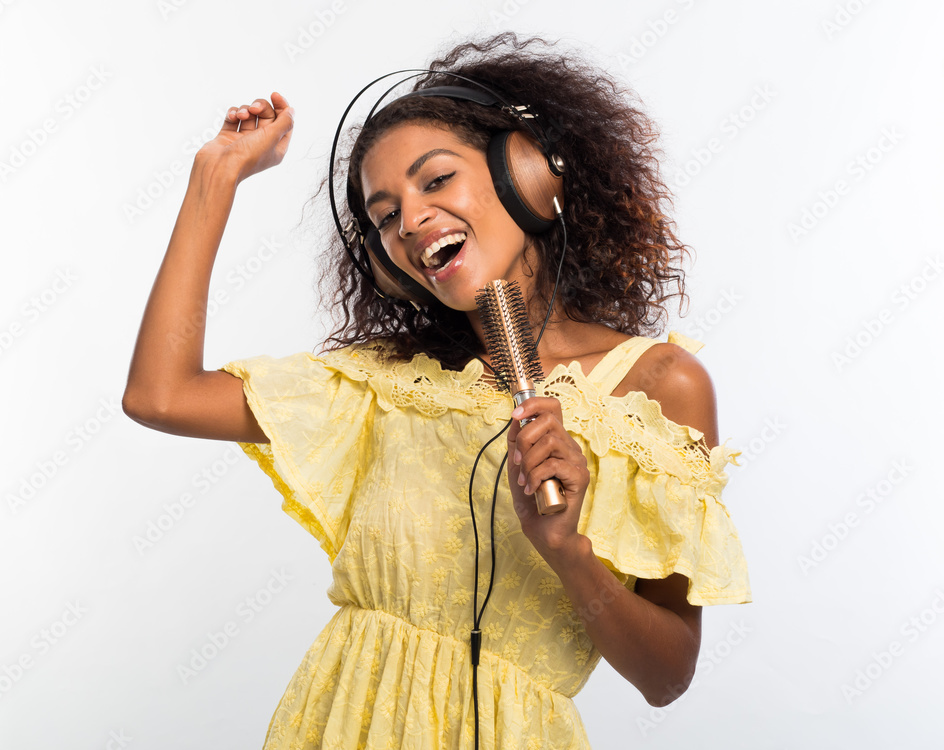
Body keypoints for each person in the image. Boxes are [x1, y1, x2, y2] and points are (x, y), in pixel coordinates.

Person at [123, 32, 751, 750]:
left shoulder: (659, 386)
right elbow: (160, 395)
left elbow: (667, 675)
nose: (410, 221)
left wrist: (567, 549)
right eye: (384, 216)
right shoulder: (390, 383)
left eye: (435, 180)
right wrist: (218, 175)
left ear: (528, 175)